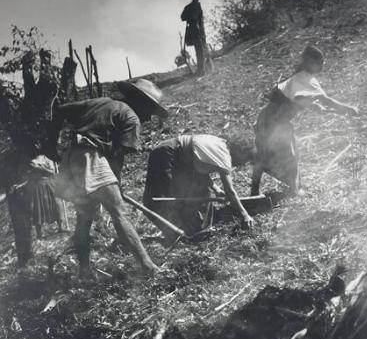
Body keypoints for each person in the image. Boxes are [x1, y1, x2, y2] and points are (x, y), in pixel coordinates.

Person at [50, 79, 169, 276]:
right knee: (118, 212)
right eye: (150, 111)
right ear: (141, 102)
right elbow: (117, 156)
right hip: (90, 158)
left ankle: (85, 271)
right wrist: (116, 185)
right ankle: (148, 267)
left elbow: (59, 109)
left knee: (83, 219)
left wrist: (50, 144)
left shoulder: (101, 102)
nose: (149, 118)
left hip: (71, 158)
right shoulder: (131, 117)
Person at [251, 45, 358, 196]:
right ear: (310, 62)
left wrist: (325, 108)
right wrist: (348, 108)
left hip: (268, 120)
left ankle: (256, 190)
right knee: (291, 158)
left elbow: (301, 100)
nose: (322, 65)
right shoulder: (303, 78)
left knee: (263, 155)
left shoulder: (298, 79)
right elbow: (323, 99)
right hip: (275, 123)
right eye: (319, 62)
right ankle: (295, 190)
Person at [143, 134, 254, 239]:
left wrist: (216, 188)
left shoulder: (220, 145)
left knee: (200, 193)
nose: (244, 162)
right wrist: (244, 214)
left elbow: (199, 166)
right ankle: (176, 232)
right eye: (246, 157)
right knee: (163, 198)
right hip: (167, 154)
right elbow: (230, 191)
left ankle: (193, 232)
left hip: (175, 156)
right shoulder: (223, 155)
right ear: (241, 150)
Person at [27, 154, 65, 238]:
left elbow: (52, 172)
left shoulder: (48, 160)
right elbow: (32, 171)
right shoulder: (32, 161)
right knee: (38, 207)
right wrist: (42, 170)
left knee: (57, 204)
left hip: (49, 183)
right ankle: (39, 233)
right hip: (38, 186)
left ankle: (61, 227)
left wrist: (41, 168)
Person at [181, 0, 209, 76]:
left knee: (199, 50)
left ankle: (201, 69)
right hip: (196, 31)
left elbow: (183, 17)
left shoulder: (190, 7)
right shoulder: (192, 7)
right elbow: (183, 17)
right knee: (200, 50)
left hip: (194, 31)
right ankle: (201, 70)